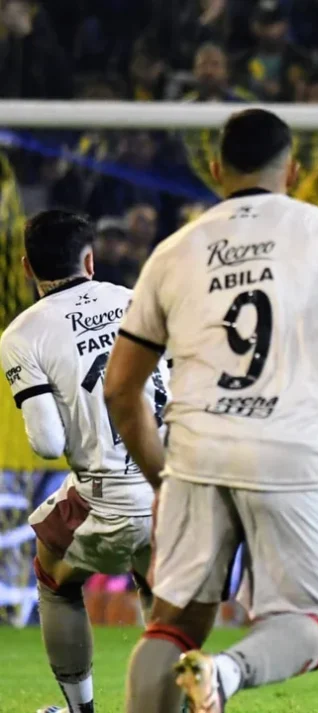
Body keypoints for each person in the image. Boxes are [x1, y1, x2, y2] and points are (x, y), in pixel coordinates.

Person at [104, 108, 318, 713]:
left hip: (197, 451)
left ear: (216, 171)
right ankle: (226, 673)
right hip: (291, 450)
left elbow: (119, 388)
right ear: (292, 170)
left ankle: (199, 670)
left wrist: (165, 476)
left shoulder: (172, 251)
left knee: (172, 624)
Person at [0, 210, 169, 713]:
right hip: (173, 489)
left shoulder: (21, 334)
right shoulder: (136, 300)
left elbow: (47, 442)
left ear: (27, 267)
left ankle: (81, 710)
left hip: (107, 499)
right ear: (90, 261)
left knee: (54, 578)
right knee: (157, 585)